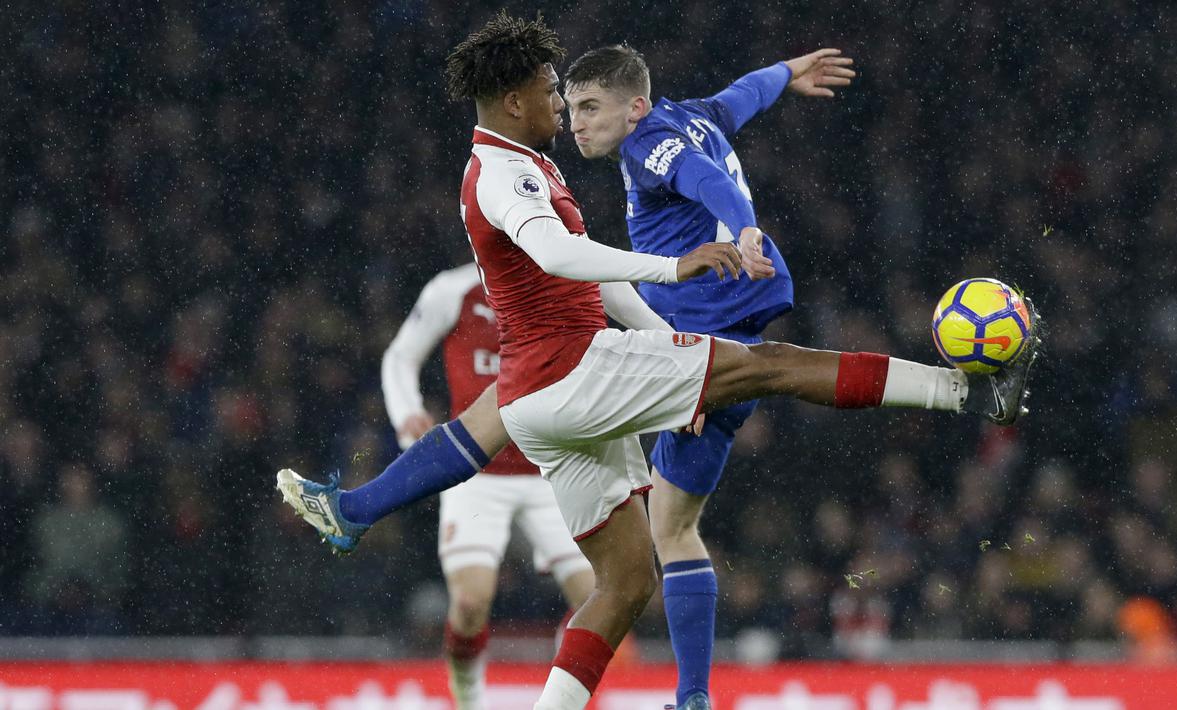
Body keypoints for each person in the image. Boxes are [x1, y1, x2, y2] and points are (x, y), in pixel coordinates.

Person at [278, 12, 1039, 709]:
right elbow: (559, 252)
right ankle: (967, 397)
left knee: (625, 581)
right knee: (769, 364)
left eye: (575, 99)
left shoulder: (525, 162)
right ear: (513, 101)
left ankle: (356, 511)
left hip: (545, 397)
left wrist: (671, 352)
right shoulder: (506, 174)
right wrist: (675, 272)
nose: (561, 108)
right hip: (579, 376)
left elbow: (619, 252)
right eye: (552, 94)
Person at [562, 44, 854, 709]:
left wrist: (744, 230)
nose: (576, 123)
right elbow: (741, 94)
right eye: (573, 109)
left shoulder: (649, 146)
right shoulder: (692, 114)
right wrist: (786, 74)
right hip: (731, 327)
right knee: (671, 524)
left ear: (633, 109)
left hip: (696, 341)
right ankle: (691, 696)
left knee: (550, 391)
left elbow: (702, 180)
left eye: (590, 108)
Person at [382, 264, 596, 709]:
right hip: (475, 474)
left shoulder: (564, 280)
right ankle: (469, 697)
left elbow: (614, 335)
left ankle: (561, 691)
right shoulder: (452, 289)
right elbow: (400, 356)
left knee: (601, 599)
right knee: (470, 601)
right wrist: (407, 415)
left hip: (551, 470)